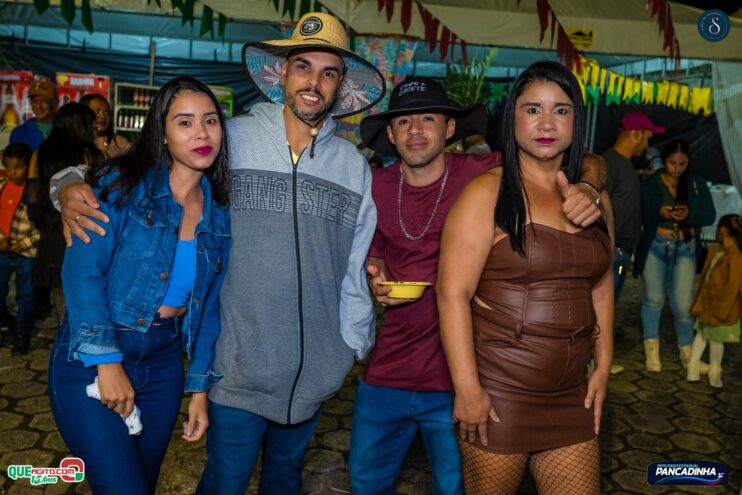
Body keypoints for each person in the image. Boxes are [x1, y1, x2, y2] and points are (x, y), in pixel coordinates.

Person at [52, 12, 384, 494]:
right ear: (282, 74)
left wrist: (351, 344)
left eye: (328, 72)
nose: (314, 82)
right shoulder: (231, 138)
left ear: (339, 86)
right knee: (220, 481)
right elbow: (129, 171)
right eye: (303, 66)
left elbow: (355, 262)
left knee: (282, 479)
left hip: (307, 370)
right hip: (236, 367)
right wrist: (65, 187)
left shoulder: (352, 167)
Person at [350, 76, 605, 494]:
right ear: (391, 135)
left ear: (450, 128)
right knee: (365, 482)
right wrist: (373, 270)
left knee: (456, 487)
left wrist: (590, 187)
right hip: (389, 369)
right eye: (404, 122)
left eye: (428, 119)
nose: (416, 131)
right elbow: (370, 248)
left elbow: (579, 158)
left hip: (460, 377)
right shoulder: (374, 186)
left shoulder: (484, 173)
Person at [437, 61, 614, 494]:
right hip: (501, 396)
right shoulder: (487, 192)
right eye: (533, 109)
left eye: (561, 110)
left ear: (576, 120)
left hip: (572, 393)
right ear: (512, 118)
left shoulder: (593, 199)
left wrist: (605, 360)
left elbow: (600, 280)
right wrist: (468, 389)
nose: (547, 123)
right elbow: (451, 294)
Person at [48, 76, 231, 494]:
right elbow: (82, 274)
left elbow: (210, 309)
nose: (202, 133)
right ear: (162, 134)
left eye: (210, 121)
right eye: (184, 122)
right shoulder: (121, 186)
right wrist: (107, 363)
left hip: (163, 364)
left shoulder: (220, 214)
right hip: (92, 356)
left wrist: (199, 390)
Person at [633, 139, 716, 372]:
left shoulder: (696, 183)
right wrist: (659, 211)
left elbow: (709, 215)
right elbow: (640, 214)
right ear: (664, 160)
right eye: (672, 163)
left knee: (683, 304)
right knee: (653, 299)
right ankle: (651, 348)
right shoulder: (651, 183)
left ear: (689, 162)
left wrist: (689, 214)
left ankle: (687, 353)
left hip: (685, 248)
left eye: (682, 163)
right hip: (656, 246)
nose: (677, 168)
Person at [31, 103, 103, 325]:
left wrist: (45, 221)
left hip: (51, 232)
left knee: (59, 292)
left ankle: (64, 335)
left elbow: (32, 197)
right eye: (92, 124)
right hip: (80, 230)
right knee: (80, 291)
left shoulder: (41, 152)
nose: (96, 128)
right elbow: (99, 197)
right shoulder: (90, 153)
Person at [602, 111, 663, 303]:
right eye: (646, 138)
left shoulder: (625, 165)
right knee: (599, 314)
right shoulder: (608, 163)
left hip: (620, 252)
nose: (646, 145)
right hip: (611, 253)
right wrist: (609, 248)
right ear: (636, 134)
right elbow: (597, 207)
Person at [687, 214, 742, 388]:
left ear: (723, 231)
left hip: (720, 308)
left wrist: (722, 309)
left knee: (712, 338)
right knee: (706, 336)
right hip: (710, 305)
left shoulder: (735, 257)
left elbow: (732, 287)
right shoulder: (719, 252)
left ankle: (711, 372)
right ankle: (701, 370)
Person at [0, 143, 40, 354]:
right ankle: (4, 327)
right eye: (8, 166)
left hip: (27, 253)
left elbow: (41, 228)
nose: (12, 172)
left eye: (18, 167)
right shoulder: (1, 187)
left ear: (28, 167)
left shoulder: (33, 193)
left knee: (25, 294)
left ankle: (23, 334)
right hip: (3, 250)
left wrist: (22, 243)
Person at [9, 80, 58, 152]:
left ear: (54, 103)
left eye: (44, 101)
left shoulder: (64, 129)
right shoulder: (19, 132)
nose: (38, 106)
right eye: (34, 101)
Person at [80, 93, 131, 158]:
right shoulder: (75, 144)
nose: (103, 116)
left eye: (106, 112)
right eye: (96, 111)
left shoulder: (119, 142)